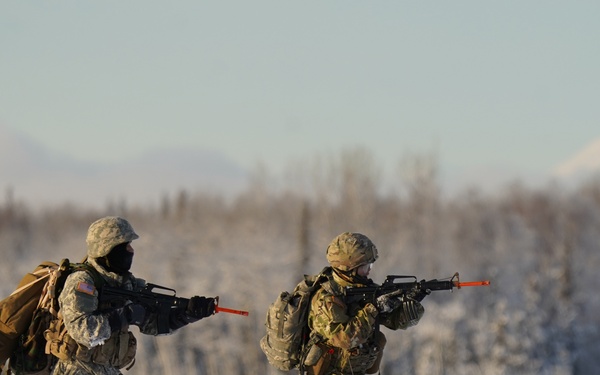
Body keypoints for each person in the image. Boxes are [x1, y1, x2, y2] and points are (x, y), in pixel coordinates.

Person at [48, 216, 217, 375]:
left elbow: (155, 323)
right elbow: (82, 330)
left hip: (107, 369)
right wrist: (125, 315)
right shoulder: (83, 282)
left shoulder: (126, 283)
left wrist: (186, 314)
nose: (131, 250)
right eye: (125, 245)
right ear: (107, 248)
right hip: (78, 369)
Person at [306, 232, 425, 375]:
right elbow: (345, 339)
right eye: (364, 267)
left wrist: (410, 305)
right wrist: (374, 308)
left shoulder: (363, 290)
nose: (368, 271)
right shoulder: (325, 298)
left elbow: (394, 321)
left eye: (370, 266)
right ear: (347, 268)